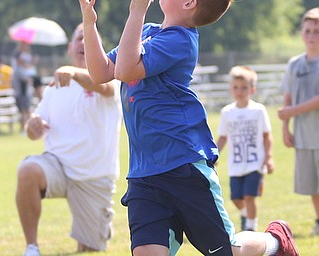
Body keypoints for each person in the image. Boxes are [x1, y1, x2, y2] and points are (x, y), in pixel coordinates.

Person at [79, 0, 299, 255]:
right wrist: (89, 21)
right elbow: (101, 72)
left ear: (189, 3)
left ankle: (275, 241)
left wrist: (136, 10)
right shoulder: (148, 31)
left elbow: (126, 70)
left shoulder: (180, 40)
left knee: (228, 251)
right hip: (144, 173)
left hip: (183, 166)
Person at [16, 23, 122, 256]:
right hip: (57, 166)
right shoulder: (54, 89)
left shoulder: (110, 79)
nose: (83, 43)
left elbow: (102, 86)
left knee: (90, 249)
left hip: (93, 177)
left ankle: (101, 226)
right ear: (69, 47)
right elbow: (35, 131)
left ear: (99, 47)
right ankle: (32, 247)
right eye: (79, 38)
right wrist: (33, 126)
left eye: (89, 38)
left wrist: (72, 72)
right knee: (27, 170)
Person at [217, 66, 275, 232]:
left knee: (249, 197)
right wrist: (214, 155)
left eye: (244, 87)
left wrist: (269, 157)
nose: (239, 91)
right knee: (236, 198)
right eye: (235, 87)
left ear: (252, 89)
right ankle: (245, 214)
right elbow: (223, 137)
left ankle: (251, 228)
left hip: (255, 163)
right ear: (231, 89)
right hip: (236, 165)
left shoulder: (258, 110)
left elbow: (267, 135)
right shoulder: (227, 112)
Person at [278, 7, 319, 237]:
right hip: (304, 136)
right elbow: (288, 96)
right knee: (312, 186)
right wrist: (285, 127)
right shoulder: (294, 64)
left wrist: (292, 111)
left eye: (317, 31)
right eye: (308, 31)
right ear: (302, 33)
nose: (312, 36)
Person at [11, 41, 41, 132]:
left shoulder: (29, 56)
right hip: (21, 86)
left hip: (27, 87)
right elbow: (21, 68)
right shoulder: (17, 57)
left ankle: (27, 127)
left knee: (27, 108)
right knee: (23, 109)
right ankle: (24, 127)